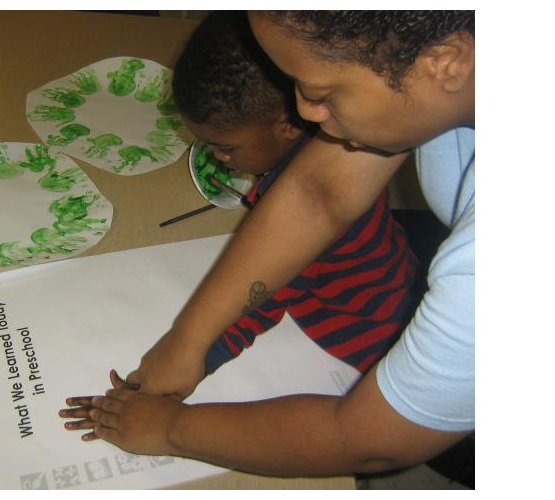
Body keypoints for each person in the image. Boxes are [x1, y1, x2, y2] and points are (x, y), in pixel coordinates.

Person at [61, 10, 475, 478]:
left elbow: (369, 443)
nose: (302, 113)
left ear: (444, 62)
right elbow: (319, 193)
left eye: (318, 92)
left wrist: (171, 427)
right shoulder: (423, 81)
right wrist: (188, 340)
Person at [171, 9, 423, 376]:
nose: (218, 157)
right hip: (401, 281)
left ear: (288, 125)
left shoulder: (305, 218)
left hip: (374, 349)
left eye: (227, 147)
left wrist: (193, 364)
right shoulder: (343, 148)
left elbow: (260, 300)